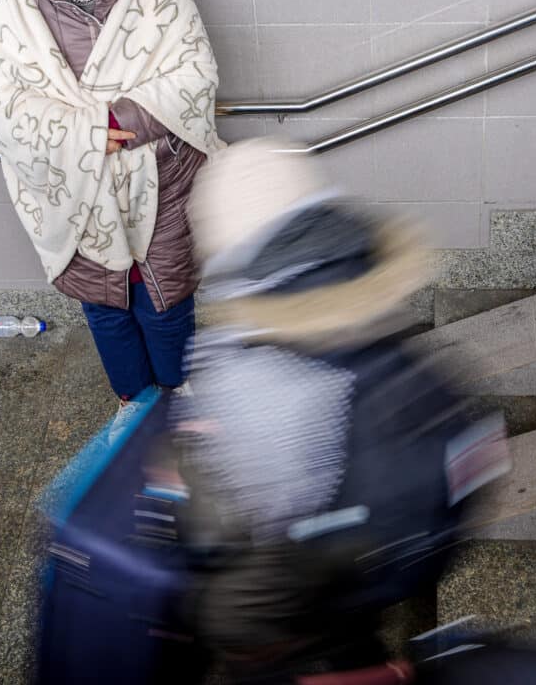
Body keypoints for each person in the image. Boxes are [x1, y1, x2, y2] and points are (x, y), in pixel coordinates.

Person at [171, 140, 514, 683]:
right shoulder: (358, 264)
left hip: (330, 553)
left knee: (225, 613)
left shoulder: (245, 360)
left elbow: (257, 505)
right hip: (404, 535)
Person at [0, 0, 222, 400]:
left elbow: (196, 73)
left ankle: (182, 405)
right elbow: (4, 102)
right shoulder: (17, 3)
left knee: (167, 302)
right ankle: (134, 411)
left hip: (161, 179)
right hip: (76, 190)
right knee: (107, 308)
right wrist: (85, 134)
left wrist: (118, 120)